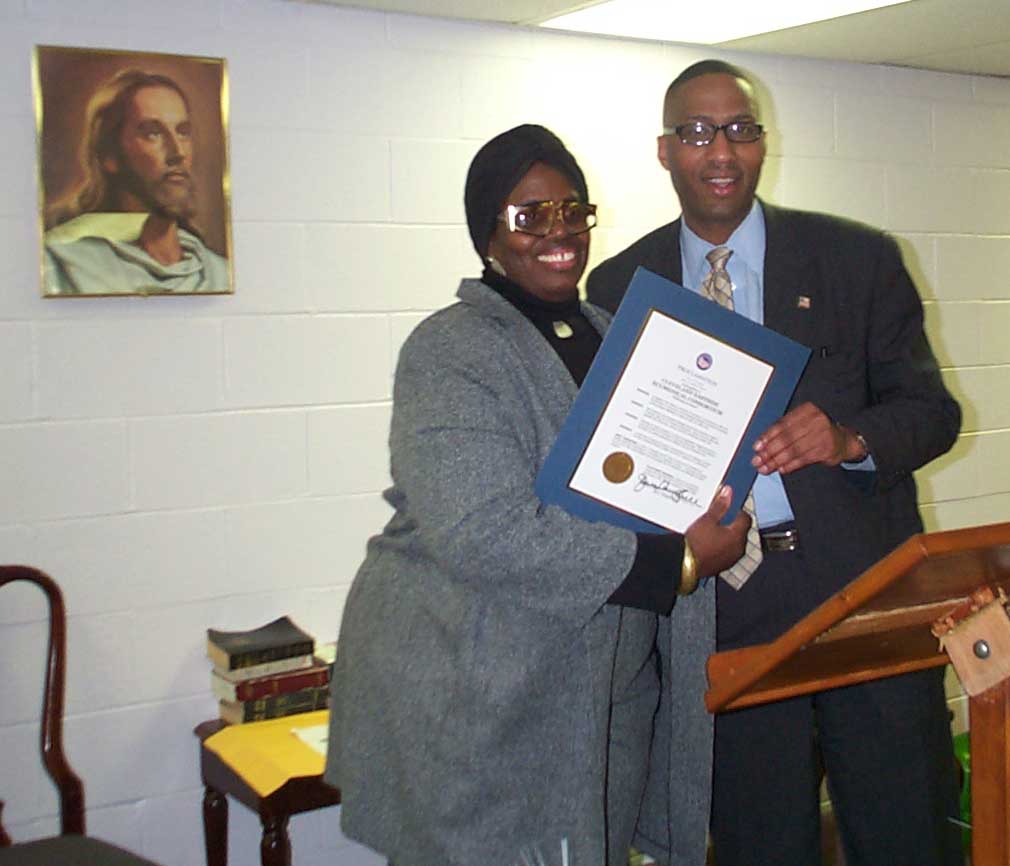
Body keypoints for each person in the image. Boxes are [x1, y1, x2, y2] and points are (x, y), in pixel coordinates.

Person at [325, 123, 749, 866]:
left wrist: (711, 496)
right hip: (479, 695)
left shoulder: (615, 336)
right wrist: (677, 560)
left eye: (571, 210)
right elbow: (484, 532)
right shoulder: (450, 349)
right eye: (530, 216)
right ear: (487, 234)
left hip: (601, 692)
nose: (559, 233)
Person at [586, 59, 964, 866]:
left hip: (862, 597)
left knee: (906, 839)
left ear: (763, 144)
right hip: (723, 617)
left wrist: (849, 439)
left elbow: (933, 413)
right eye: (696, 132)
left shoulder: (856, 260)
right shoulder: (618, 286)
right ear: (664, 151)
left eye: (740, 129)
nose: (720, 150)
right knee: (762, 847)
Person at [43, 69, 229, 295]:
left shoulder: (217, 273)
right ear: (109, 156)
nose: (178, 152)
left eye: (183, 132)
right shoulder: (66, 266)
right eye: (153, 134)